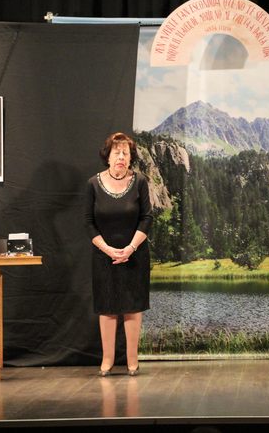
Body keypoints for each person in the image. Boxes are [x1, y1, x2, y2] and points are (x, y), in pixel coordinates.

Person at [83, 132, 152, 376]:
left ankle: (132, 360)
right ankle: (107, 360)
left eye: (126, 153)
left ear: (131, 157)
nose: (121, 157)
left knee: (132, 308)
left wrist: (130, 248)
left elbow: (146, 218)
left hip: (135, 255)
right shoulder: (93, 184)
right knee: (108, 307)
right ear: (108, 156)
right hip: (104, 256)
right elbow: (88, 223)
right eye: (117, 152)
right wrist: (108, 249)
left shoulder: (140, 181)